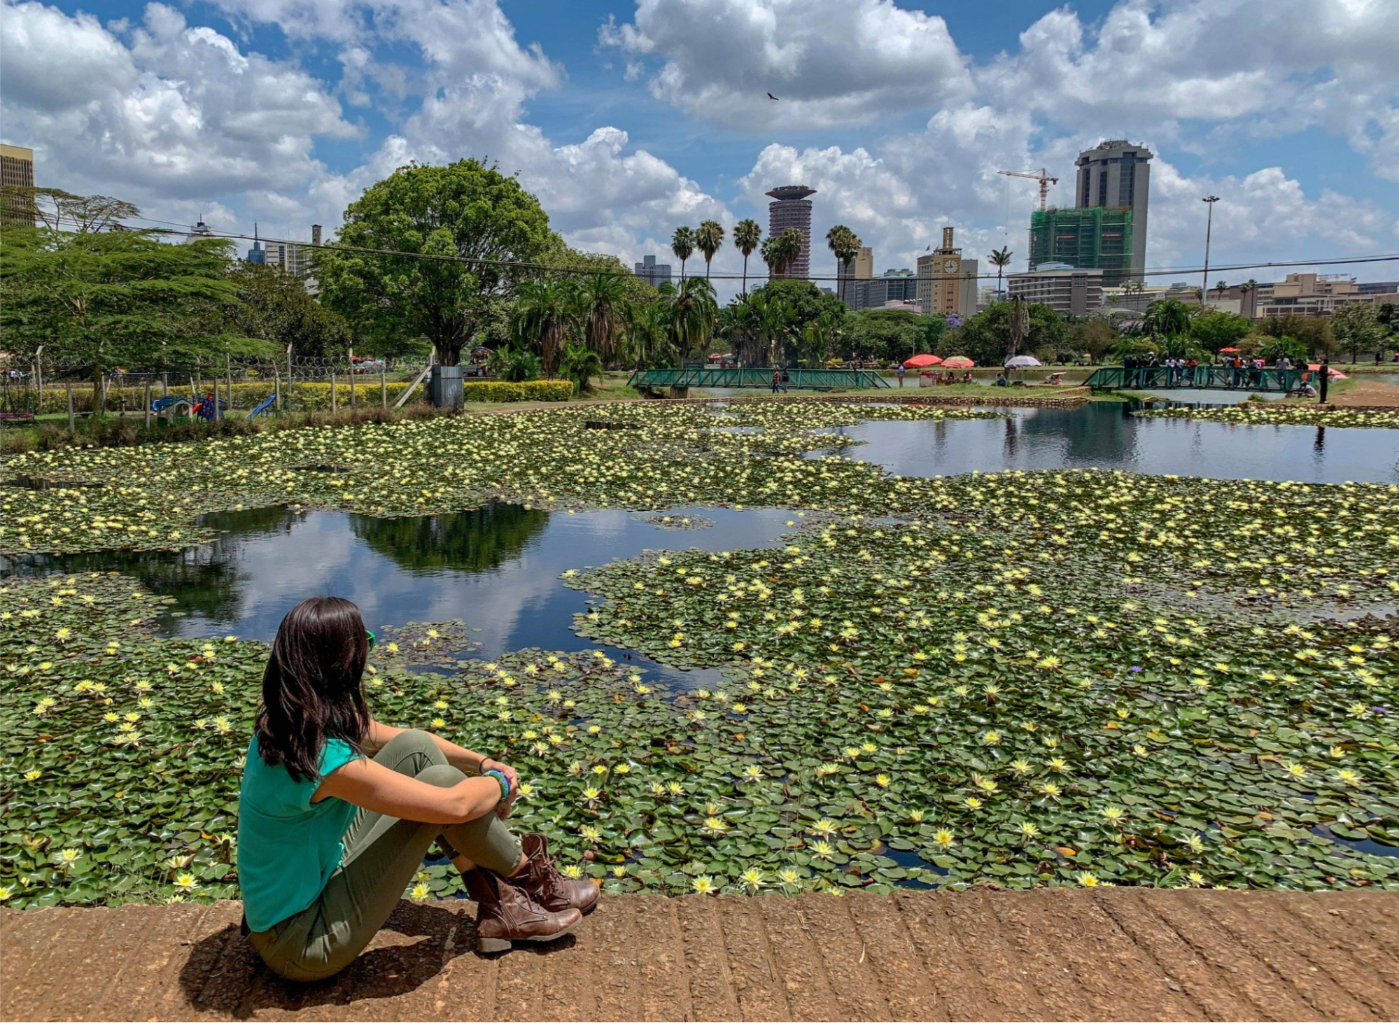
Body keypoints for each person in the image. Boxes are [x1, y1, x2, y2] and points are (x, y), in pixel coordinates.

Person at [238, 598, 594, 982]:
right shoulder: (321, 758)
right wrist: (501, 784)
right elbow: (455, 806)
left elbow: (409, 739)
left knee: (415, 749)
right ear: (340, 664)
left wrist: (483, 764)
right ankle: (529, 880)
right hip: (301, 943)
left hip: (314, 884)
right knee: (441, 787)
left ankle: (504, 903)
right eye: (363, 649)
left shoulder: (293, 720)